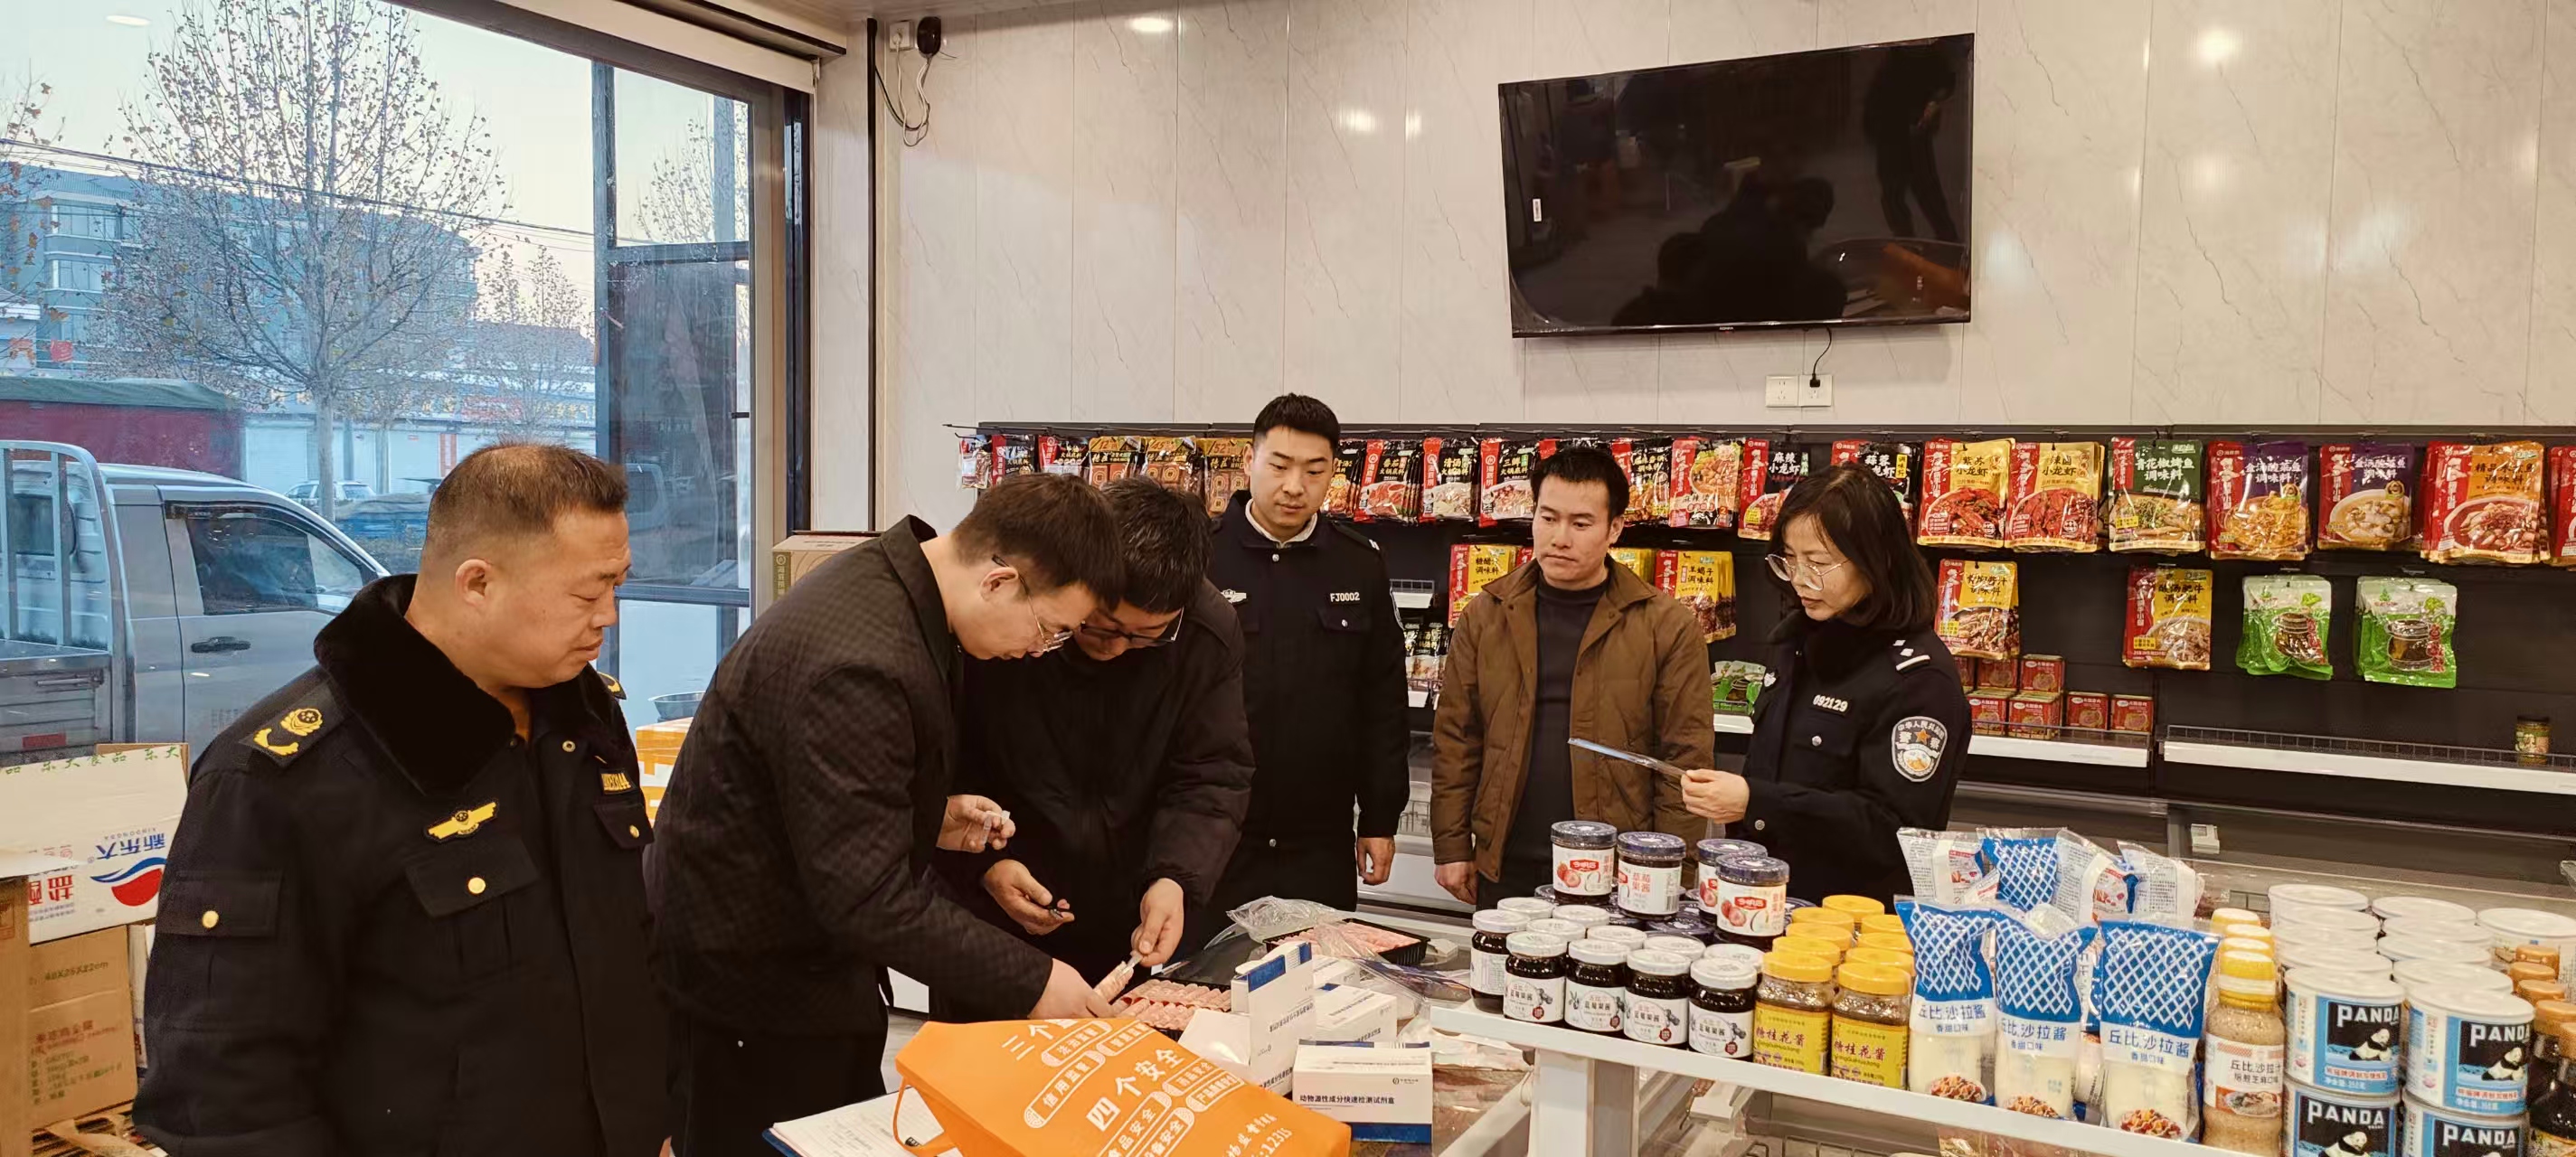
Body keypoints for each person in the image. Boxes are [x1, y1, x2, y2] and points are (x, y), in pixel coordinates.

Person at [135, 443, 665, 1157]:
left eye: (616, 585)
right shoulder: (284, 779)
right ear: (478, 583)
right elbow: (223, 1094)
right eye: (587, 592)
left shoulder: (581, 719)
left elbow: (622, 961)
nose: (609, 616)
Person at [646, 474, 1124, 1157]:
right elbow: (866, 899)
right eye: (1049, 630)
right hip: (754, 991)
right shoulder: (863, 660)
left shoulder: (896, 587)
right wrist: (1036, 980)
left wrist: (925, 816)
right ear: (998, 582)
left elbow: (814, 794)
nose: (1036, 650)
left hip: (807, 966)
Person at [950, 478, 1255, 983]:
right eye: (1102, 624)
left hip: (1131, 915)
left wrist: (1175, 879)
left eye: (1145, 636)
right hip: (993, 908)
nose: (1115, 647)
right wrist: (980, 867)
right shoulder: (1015, 616)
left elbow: (1212, 772)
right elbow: (949, 757)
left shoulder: (1206, 633)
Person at [1430, 445, 1714, 908]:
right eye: (1548, 518)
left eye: (1581, 524)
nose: (1559, 538)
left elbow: (1684, 759)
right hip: (1505, 857)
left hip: (1617, 865)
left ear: (1614, 529)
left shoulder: (1666, 625)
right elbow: (1457, 738)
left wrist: (1669, 870)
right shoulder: (1486, 614)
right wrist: (1452, 845)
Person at [1678, 464, 1969, 904]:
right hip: (1759, 901)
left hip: (1848, 921)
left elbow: (1895, 830)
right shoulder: (1796, 642)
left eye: (1817, 563)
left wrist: (1757, 802)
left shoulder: (1919, 679)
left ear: (1877, 559)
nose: (1800, 579)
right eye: (1789, 560)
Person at [1205, 394, 1410, 916]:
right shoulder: (1201, 557)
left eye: (1314, 471)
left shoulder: (1359, 564)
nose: (1295, 486)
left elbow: (1383, 701)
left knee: (1324, 964)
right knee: (1207, 966)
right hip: (1216, 828)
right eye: (1279, 466)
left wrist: (1380, 817)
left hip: (1319, 837)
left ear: (1333, 472)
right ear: (1249, 460)